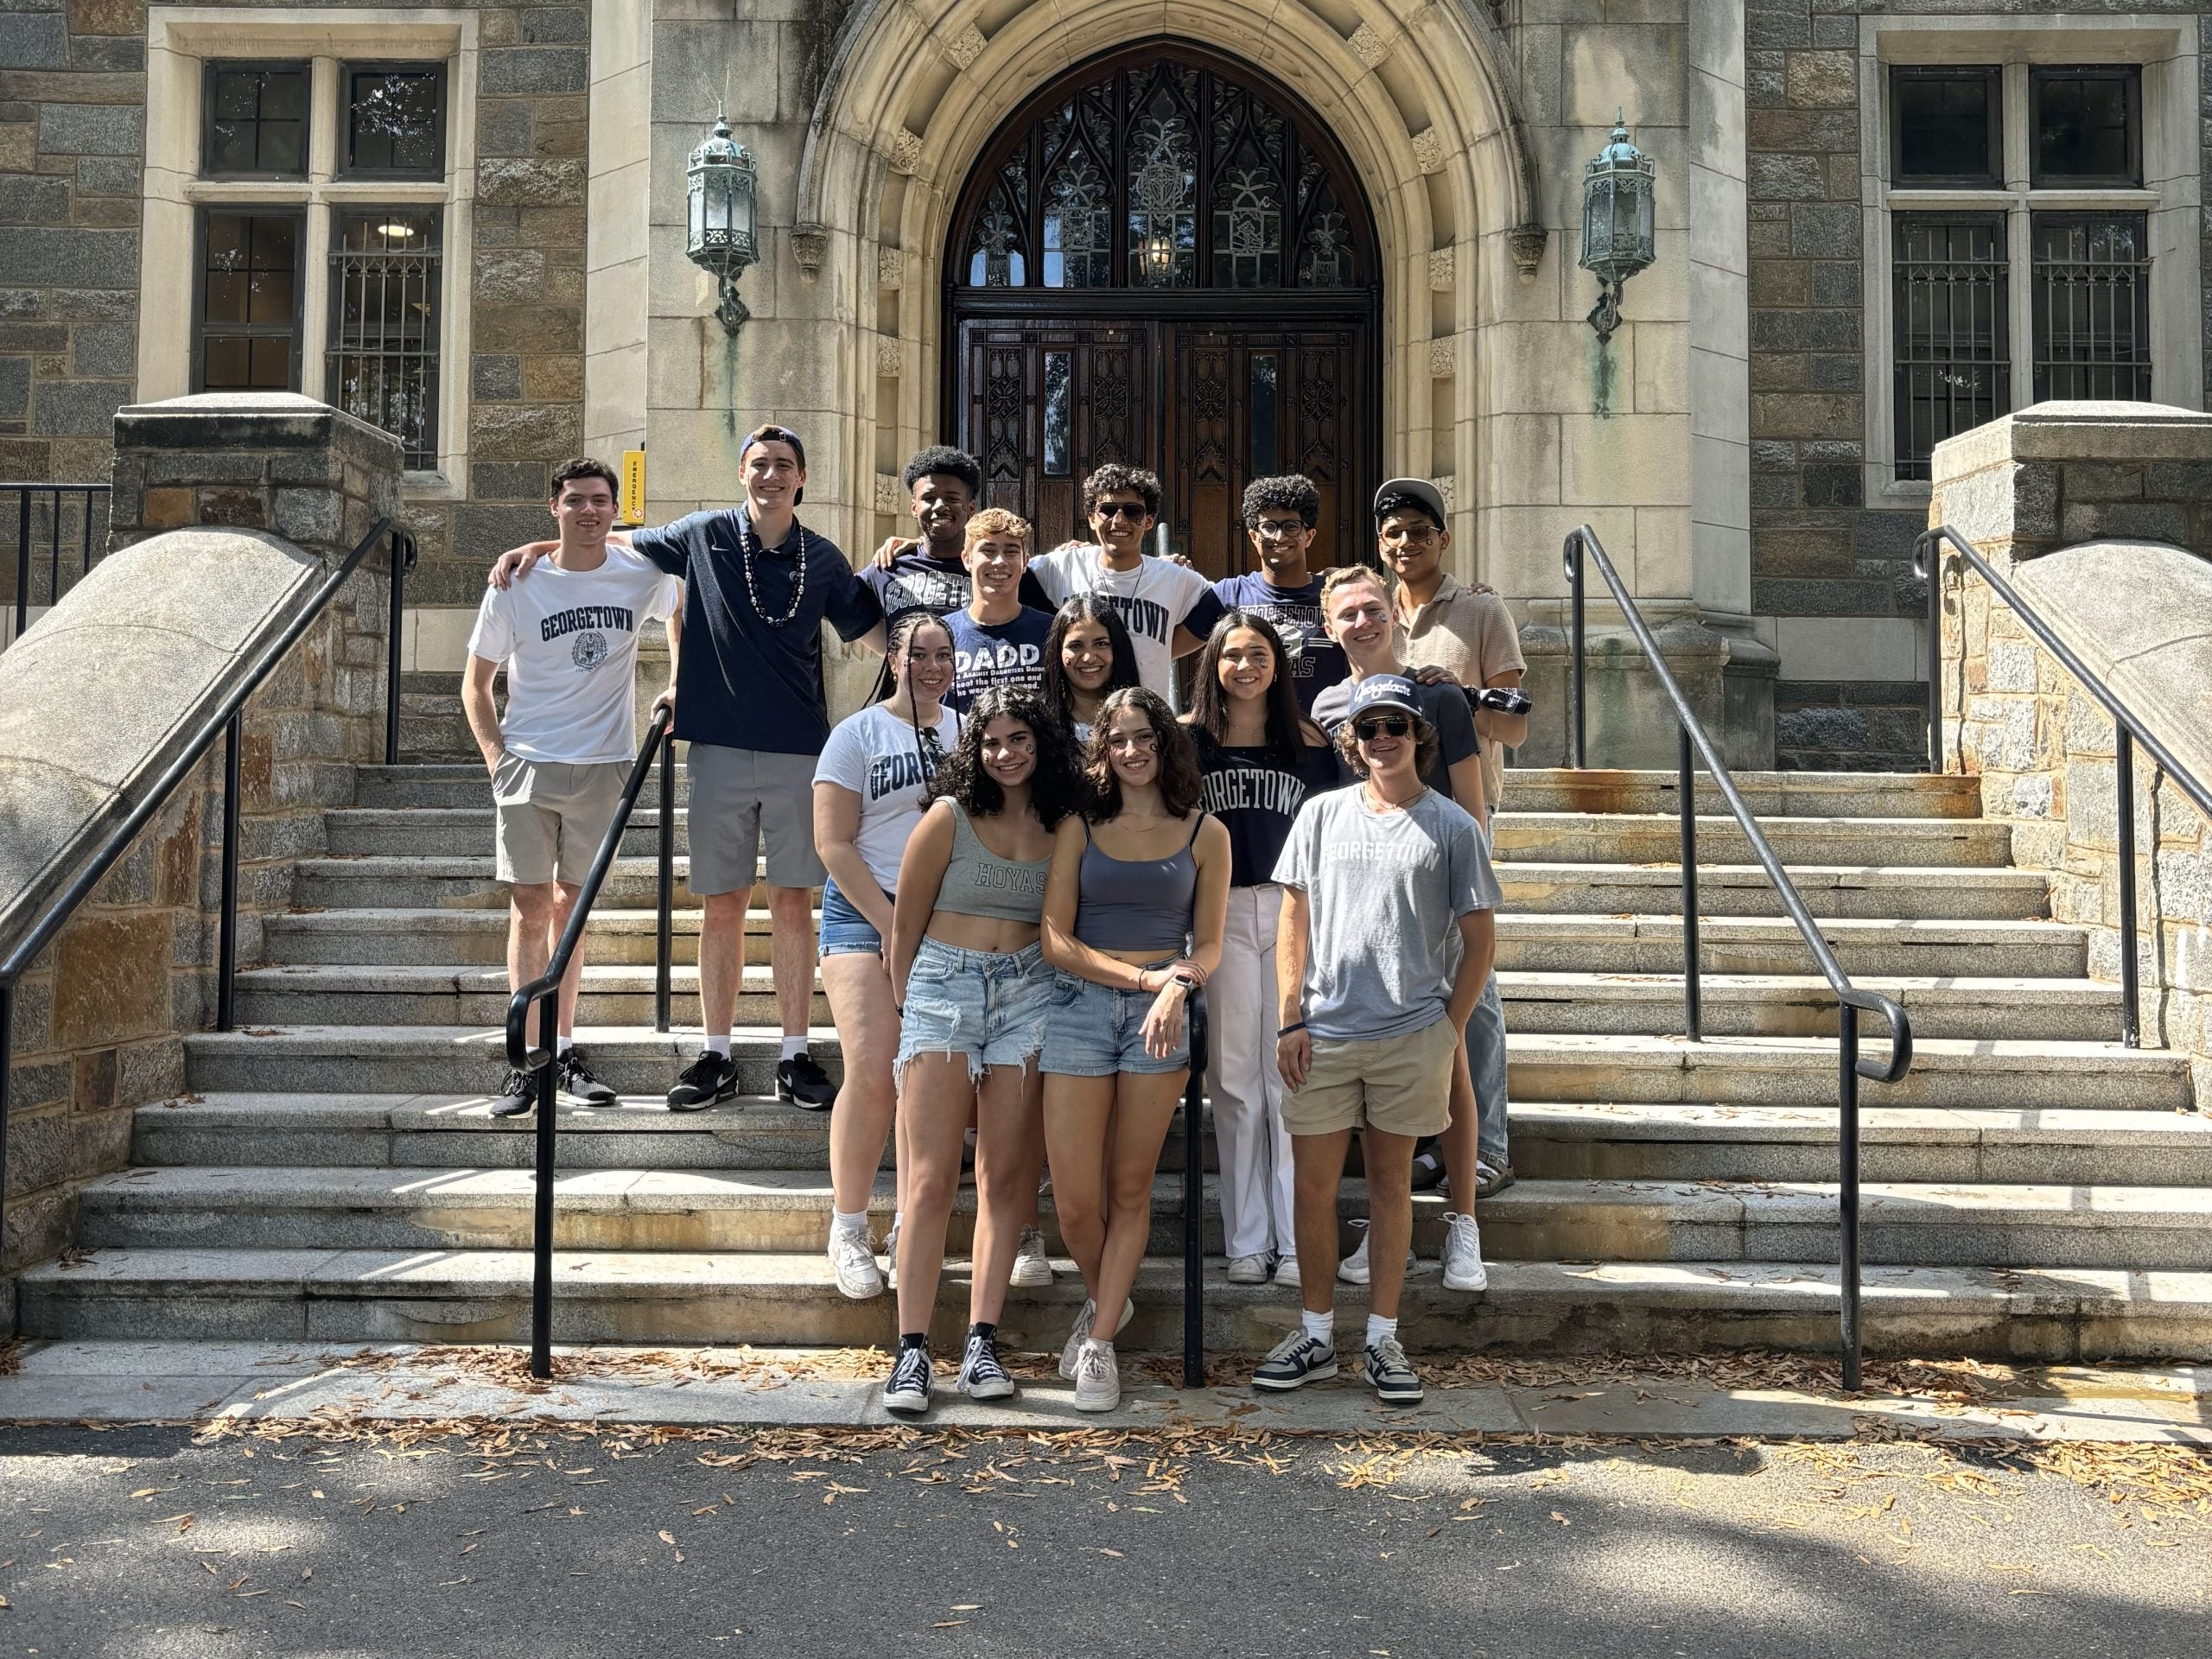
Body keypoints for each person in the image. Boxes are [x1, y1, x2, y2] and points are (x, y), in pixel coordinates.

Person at [490, 423, 885, 1113]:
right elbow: (609, 540)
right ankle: (718, 1053)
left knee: (794, 905)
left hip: (801, 751)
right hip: (718, 751)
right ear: (742, 473)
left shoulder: (820, 558)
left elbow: (877, 631)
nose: (771, 475)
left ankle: (795, 1053)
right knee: (722, 905)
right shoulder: (702, 534)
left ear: (802, 478)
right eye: (759, 464)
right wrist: (539, 547)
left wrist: (902, 573)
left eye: (784, 465)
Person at [1255, 674, 1499, 1407]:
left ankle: (1383, 1337)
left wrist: (1446, 1030)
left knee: (1393, 1186)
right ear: (1351, 742)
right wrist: (1289, 1016)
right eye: (1367, 729)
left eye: (1395, 725)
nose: (1381, 739)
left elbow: (1480, 941)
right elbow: (1292, 922)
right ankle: (1317, 1334)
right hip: (1324, 1031)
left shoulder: (1453, 826)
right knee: (1314, 1187)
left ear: (1419, 734)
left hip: (1409, 1035)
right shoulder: (1322, 814)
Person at [883, 686, 1082, 1415]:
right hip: (943, 988)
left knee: (1004, 1182)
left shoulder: (1065, 826)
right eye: (992, 741)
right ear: (976, 747)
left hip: (1029, 995)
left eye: (1019, 740)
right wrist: (911, 1011)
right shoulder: (948, 818)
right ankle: (910, 1353)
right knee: (931, 1180)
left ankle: (980, 1343)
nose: (1006, 754)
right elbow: (901, 933)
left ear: (1042, 746)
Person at [464, 458, 680, 1118]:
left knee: (572, 910)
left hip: (605, 764)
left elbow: (687, 611)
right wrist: (497, 758)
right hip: (529, 763)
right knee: (531, 906)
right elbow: (476, 684)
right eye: (574, 501)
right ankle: (525, 1061)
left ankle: (561, 1050)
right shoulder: (516, 584)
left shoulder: (640, 571)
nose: (588, 511)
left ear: (617, 510)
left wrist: (678, 681)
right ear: (552, 506)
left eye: (600, 502)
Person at [1040, 688, 1230, 1412]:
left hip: (1162, 1015)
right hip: (1079, 1007)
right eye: (1117, 739)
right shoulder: (1079, 826)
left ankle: (1099, 1346)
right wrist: (1143, 976)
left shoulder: (1204, 831)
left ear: (1165, 741)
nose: (1132, 751)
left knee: (1129, 1187)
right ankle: (1108, 1303)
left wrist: (1179, 983)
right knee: (1077, 1203)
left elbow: (1208, 940)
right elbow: (1054, 939)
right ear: (1102, 748)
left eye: (1144, 737)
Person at [1308, 562, 1491, 1290]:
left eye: (1373, 608)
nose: (1362, 622)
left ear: (1394, 613)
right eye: (1346, 613)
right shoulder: (1327, 706)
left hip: (1435, 902)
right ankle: (1387, 1229)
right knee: (1373, 1073)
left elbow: (1471, 807)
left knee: (1448, 1060)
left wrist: (1459, 898)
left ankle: (1462, 1225)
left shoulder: (1436, 696)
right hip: (1357, 906)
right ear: (1328, 627)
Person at [1374, 477, 1528, 1200]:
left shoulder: (1479, 610)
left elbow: (1518, 722)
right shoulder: (1370, 612)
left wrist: (1457, 695)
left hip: (1460, 816)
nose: (1406, 543)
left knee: (1476, 985)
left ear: (1443, 536)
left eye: (1418, 529)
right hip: (1384, 822)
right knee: (1412, 982)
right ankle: (1438, 1138)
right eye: (1393, 532)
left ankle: (1488, 1145)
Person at [1183, 612, 1341, 1288]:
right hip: (1218, 915)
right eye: (1231, 655)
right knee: (1234, 1078)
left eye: (1259, 655)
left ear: (1278, 666)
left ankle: (1298, 1238)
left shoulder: (1309, 744)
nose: (1245, 667)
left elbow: (1333, 843)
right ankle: (1247, 1240)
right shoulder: (1188, 744)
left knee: (1289, 1078)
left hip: (1290, 910)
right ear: (1212, 665)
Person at [811, 609, 960, 1300]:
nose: (932, 667)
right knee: (873, 1070)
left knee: (925, 1083)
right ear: (894, 659)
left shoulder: (967, 732)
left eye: (944, 654)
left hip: (947, 924)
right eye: (919, 654)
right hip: (865, 917)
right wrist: (893, 925)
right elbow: (833, 843)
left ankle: (909, 1223)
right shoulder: (857, 734)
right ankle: (847, 1226)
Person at [1023, 464, 1224, 697]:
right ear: (1091, 518)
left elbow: (1221, 607)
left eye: (1132, 511)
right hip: (1076, 724)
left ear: (1148, 521)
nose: (1119, 520)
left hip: (1145, 722)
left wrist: (1162, 648)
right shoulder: (1064, 566)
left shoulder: (1173, 578)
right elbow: (1008, 577)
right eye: (1108, 510)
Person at [1209, 475, 1348, 715]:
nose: (1279, 537)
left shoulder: (1336, 595)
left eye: (1291, 526)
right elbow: (1165, 643)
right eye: (1268, 527)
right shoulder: (1228, 594)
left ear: (1309, 536)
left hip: (1320, 741)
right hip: (1246, 741)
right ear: (1254, 536)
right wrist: (1166, 574)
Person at [946, 508, 1053, 710]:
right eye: (988, 550)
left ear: (1025, 562)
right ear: (967, 559)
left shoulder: (1052, 631)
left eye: (1011, 551)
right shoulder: (943, 634)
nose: (1000, 561)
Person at [865, 447, 982, 622]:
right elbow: (845, 613)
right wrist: (890, 648)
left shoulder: (991, 569)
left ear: (971, 508)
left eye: (952, 498)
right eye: (929, 498)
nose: (940, 506)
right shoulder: (888, 566)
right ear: (914, 508)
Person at [1037, 594, 1141, 747]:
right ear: (1058, 653)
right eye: (1075, 646)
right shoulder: (1039, 724)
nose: (1088, 658)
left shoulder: (1147, 717)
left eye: (1100, 644)